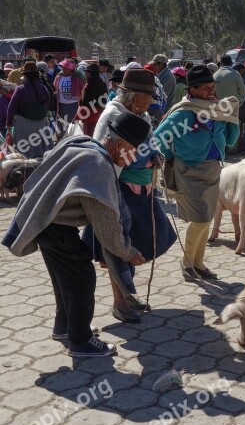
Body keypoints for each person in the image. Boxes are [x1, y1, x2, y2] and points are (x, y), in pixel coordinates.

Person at [2, 111, 150, 357]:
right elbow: (106, 225)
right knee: (81, 278)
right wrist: (127, 251)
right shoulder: (99, 166)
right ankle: (80, 341)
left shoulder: (83, 143)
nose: (134, 157)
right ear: (121, 145)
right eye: (134, 151)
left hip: (46, 221)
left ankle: (64, 328)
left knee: (64, 280)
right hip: (53, 225)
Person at [91, 68, 176, 321]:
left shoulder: (141, 115)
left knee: (136, 248)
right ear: (135, 96)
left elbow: (149, 142)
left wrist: (155, 155)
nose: (152, 101)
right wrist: (140, 163)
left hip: (142, 195)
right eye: (148, 96)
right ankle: (121, 304)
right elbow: (105, 158)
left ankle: (129, 297)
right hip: (120, 194)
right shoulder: (113, 116)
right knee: (120, 250)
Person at [154, 65, 239, 282]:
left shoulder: (217, 110)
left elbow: (230, 140)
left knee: (207, 217)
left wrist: (233, 117)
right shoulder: (184, 113)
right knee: (200, 219)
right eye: (205, 88)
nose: (211, 91)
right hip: (190, 171)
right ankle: (187, 263)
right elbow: (159, 139)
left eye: (212, 86)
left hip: (213, 170)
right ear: (191, 90)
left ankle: (198, 264)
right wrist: (170, 158)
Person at [6, 61, 52, 158]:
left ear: (25, 75)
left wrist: (9, 123)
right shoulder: (43, 88)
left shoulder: (21, 89)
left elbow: (11, 107)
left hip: (23, 124)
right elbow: (47, 104)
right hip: (42, 123)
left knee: (24, 150)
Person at [76, 63, 108, 137]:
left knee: (88, 136)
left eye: (86, 72)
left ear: (89, 73)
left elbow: (84, 104)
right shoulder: (103, 83)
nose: (85, 74)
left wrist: (77, 117)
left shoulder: (88, 86)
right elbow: (105, 99)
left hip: (89, 115)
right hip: (100, 114)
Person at [54, 58, 86, 127]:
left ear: (71, 69)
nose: (64, 69)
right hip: (61, 105)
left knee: (72, 125)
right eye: (63, 67)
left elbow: (83, 90)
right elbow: (55, 88)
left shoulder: (78, 77)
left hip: (74, 105)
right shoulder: (59, 76)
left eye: (66, 68)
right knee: (60, 125)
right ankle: (61, 137)